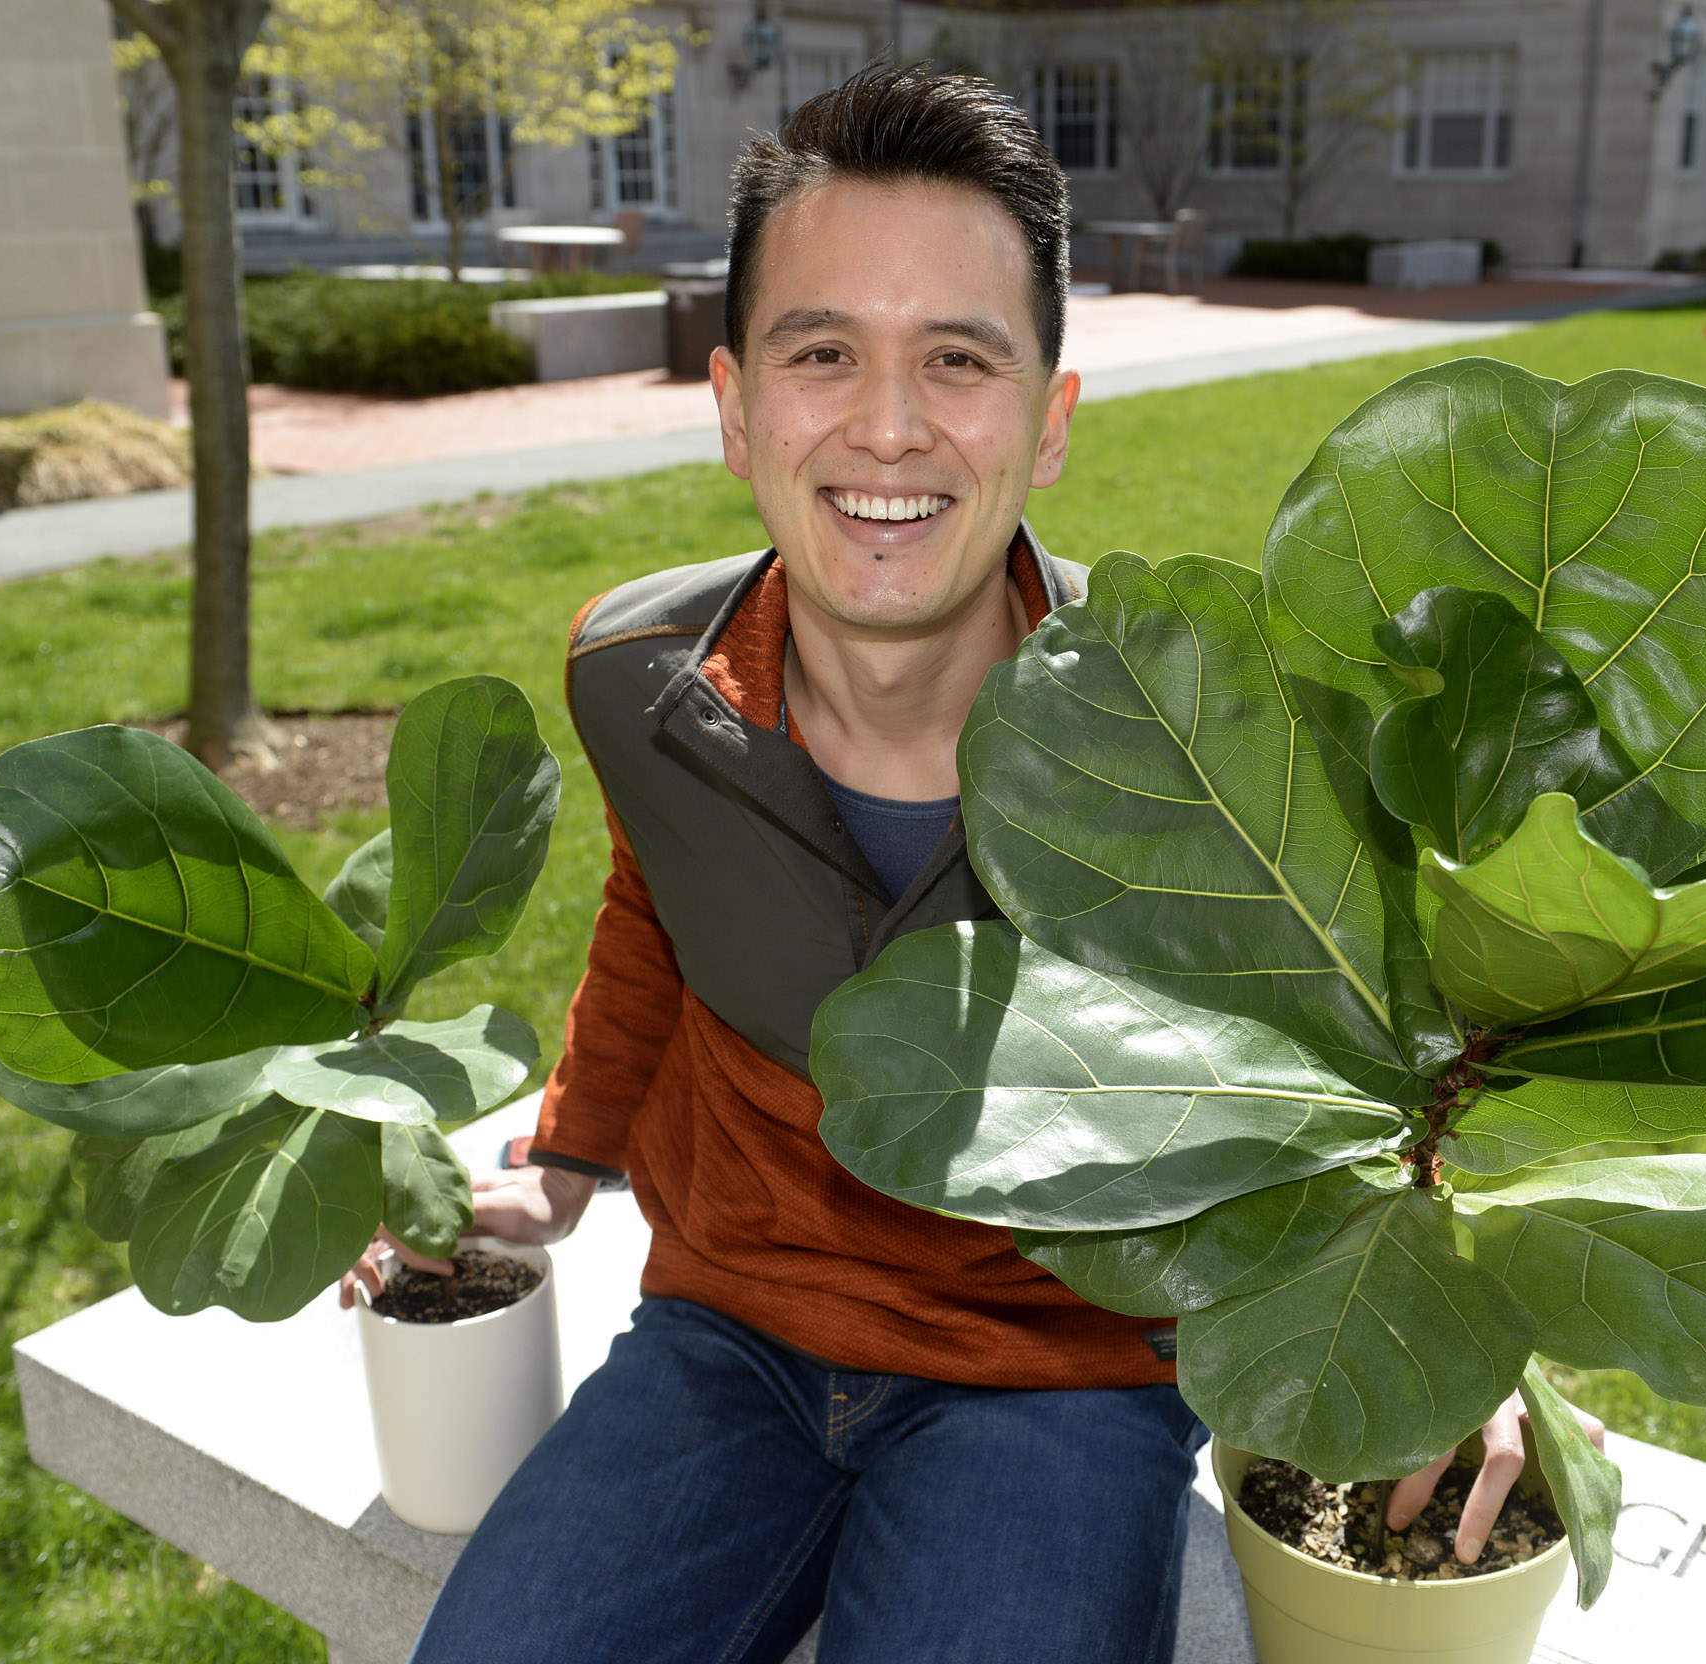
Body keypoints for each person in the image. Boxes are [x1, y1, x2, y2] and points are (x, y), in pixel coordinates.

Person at [340, 64, 1598, 1664]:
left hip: (1061, 1376)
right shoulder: (633, 677)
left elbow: (1360, 1060)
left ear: (1050, 420)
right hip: (724, 1330)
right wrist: (568, 1161)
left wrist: (1464, 1342)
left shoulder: (1218, 743)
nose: (886, 424)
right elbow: (664, 895)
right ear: (735, 406)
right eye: (822, 353)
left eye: (958, 358)